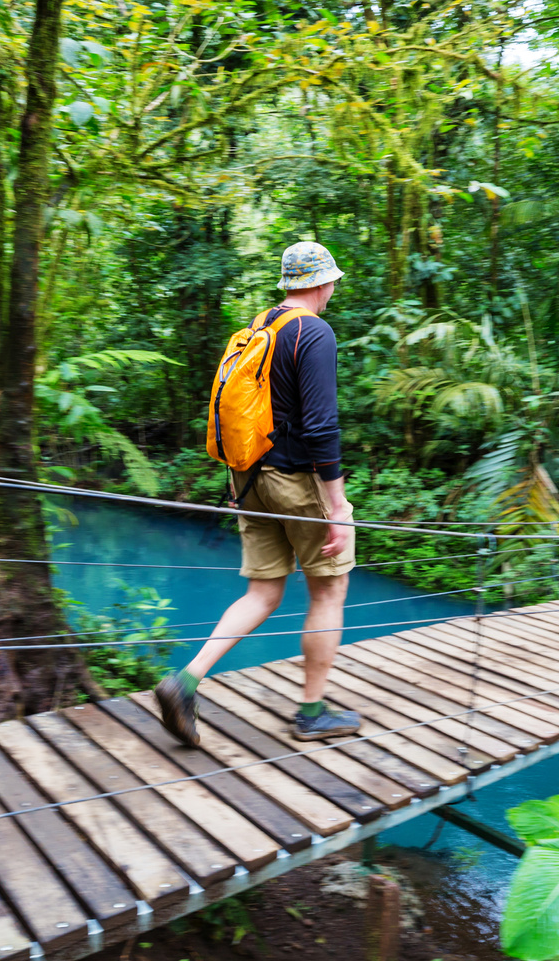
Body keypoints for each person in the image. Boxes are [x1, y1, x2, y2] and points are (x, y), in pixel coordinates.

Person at [155, 241, 362, 744]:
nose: (332, 290)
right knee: (329, 588)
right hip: (297, 482)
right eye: (331, 281)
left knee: (264, 591)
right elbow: (320, 425)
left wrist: (242, 483)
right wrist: (336, 506)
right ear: (320, 284)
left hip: (248, 478)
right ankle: (311, 713)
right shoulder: (313, 331)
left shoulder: (258, 328)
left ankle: (186, 681)